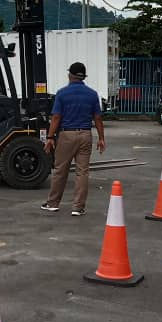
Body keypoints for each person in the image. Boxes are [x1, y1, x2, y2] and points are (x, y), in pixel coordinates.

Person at [40, 61, 105, 216]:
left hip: (66, 135)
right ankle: (78, 207)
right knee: (82, 172)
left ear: (70, 75)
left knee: (60, 170)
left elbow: (56, 117)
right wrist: (101, 138)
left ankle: (53, 203)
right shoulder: (92, 94)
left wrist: (50, 137)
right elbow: (97, 118)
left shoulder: (62, 93)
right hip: (85, 135)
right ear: (83, 77)